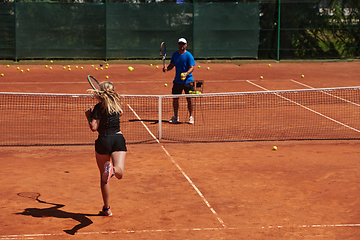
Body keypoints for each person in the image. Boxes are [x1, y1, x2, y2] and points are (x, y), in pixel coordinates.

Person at [85, 81, 126, 217]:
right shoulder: (117, 105)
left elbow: (94, 128)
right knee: (119, 173)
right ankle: (113, 170)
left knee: (104, 178)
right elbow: (120, 114)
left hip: (103, 141)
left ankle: (107, 208)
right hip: (118, 139)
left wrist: (89, 116)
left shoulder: (98, 107)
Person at [163, 37, 196, 124]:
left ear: (186, 45)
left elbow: (192, 67)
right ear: (178, 44)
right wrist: (167, 69)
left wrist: (186, 73)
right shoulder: (175, 55)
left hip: (188, 81)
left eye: (183, 44)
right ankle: (176, 116)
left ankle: (191, 117)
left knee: (189, 99)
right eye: (180, 43)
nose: (181, 45)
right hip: (177, 81)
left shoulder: (189, 55)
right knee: (175, 99)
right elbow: (172, 65)